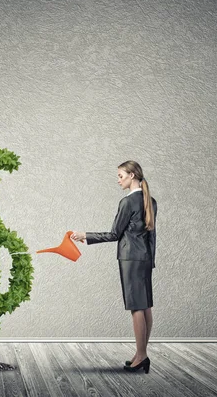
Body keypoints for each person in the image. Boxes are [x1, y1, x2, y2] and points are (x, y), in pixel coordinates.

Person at [71, 160, 157, 374]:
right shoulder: (150, 200)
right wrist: (151, 260)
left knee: (136, 306)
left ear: (132, 176)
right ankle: (140, 354)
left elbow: (114, 234)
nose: (118, 180)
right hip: (145, 258)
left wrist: (85, 236)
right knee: (145, 305)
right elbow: (152, 236)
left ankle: (142, 356)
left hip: (130, 258)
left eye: (121, 175)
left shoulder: (127, 202)